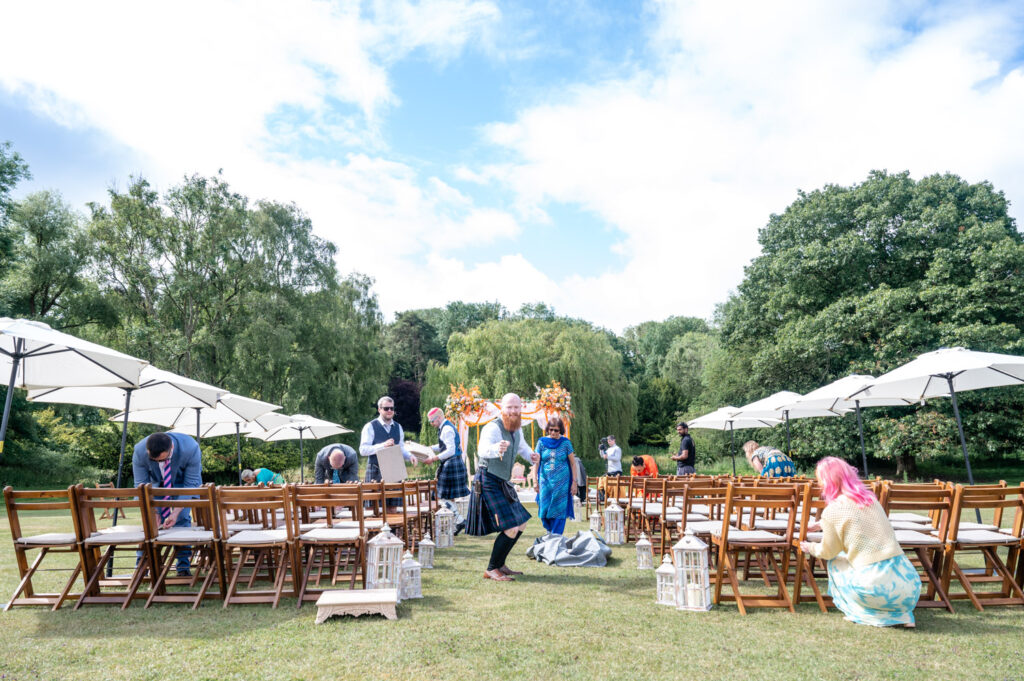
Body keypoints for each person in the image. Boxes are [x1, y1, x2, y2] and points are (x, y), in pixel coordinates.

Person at [800, 457, 921, 628]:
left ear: (827, 482)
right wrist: (821, 524)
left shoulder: (832, 510)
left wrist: (809, 547)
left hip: (874, 589)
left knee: (836, 562)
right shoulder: (870, 500)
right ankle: (903, 616)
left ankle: (859, 612)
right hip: (909, 586)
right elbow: (857, 518)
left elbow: (828, 552)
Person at [466, 393, 540, 582]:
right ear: (501, 408)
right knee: (511, 527)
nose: (513, 411)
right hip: (488, 479)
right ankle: (491, 569)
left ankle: (500, 564)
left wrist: (531, 455)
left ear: (521, 408)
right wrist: (496, 449)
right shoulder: (493, 428)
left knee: (521, 522)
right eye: (509, 407)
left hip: (502, 481)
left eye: (516, 407)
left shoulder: (517, 429)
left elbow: (521, 447)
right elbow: (482, 449)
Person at [132, 431, 202, 576]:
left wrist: (175, 512)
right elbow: (141, 486)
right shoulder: (139, 451)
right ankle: (142, 567)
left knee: (182, 519)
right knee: (150, 523)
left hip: (182, 484)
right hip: (156, 485)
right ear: (147, 450)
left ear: (171, 448)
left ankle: (183, 567)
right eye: (155, 460)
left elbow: (191, 485)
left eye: (163, 459)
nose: (160, 463)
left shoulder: (190, 448)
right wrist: (154, 512)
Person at [535, 416, 580, 536]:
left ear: (561, 430)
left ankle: (556, 535)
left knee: (559, 507)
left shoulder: (565, 443)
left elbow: (572, 463)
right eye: (551, 430)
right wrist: (535, 480)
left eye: (556, 430)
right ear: (548, 429)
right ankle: (549, 530)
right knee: (544, 506)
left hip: (562, 482)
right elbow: (537, 461)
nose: (553, 432)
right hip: (545, 481)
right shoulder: (541, 442)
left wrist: (574, 482)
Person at [358, 396, 417, 482]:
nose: (389, 411)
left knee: (397, 495)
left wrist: (410, 456)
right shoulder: (370, 426)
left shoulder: (398, 427)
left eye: (391, 408)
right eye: (386, 408)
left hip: (395, 471)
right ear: (379, 410)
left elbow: (400, 448)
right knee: (374, 496)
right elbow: (363, 450)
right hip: (375, 471)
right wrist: (383, 445)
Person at [424, 407, 470, 501]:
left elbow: (450, 451)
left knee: (445, 496)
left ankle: (453, 515)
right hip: (452, 463)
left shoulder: (447, 429)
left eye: (432, 421)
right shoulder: (445, 427)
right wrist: (430, 448)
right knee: (447, 496)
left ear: (439, 418)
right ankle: (453, 515)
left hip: (452, 463)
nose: (431, 424)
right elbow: (443, 445)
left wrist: (433, 459)